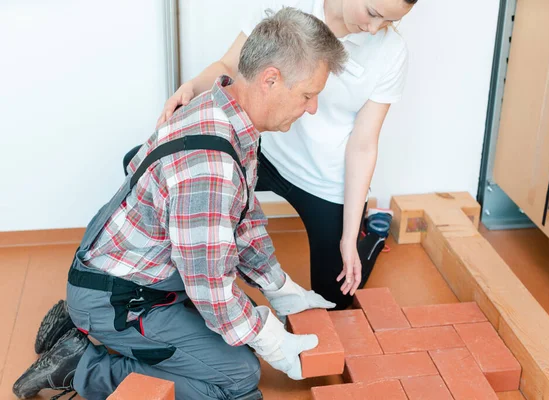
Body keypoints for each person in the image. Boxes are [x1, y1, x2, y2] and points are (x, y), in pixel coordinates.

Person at [12, 8, 347, 400]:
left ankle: (79, 327)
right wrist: (273, 340)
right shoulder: (210, 168)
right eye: (308, 95)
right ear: (270, 79)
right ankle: (81, 365)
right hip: (123, 296)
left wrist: (280, 287)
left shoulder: (225, 113)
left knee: (239, 323)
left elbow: (244, 221)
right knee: (238, 376)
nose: (312, 109)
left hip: (127, 269)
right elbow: (211, 290)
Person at [157, 0, 418, 310]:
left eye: (389, 22)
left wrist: (348, 238)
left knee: (335, 298)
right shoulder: (285, 4)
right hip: (263, 153)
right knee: (159, 169)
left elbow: (363, 145)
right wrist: (192, 86)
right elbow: (231, 66)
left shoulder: (391, 52)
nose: (375, 29)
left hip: (324, 179)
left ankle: (371, 235)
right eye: (373, 14)